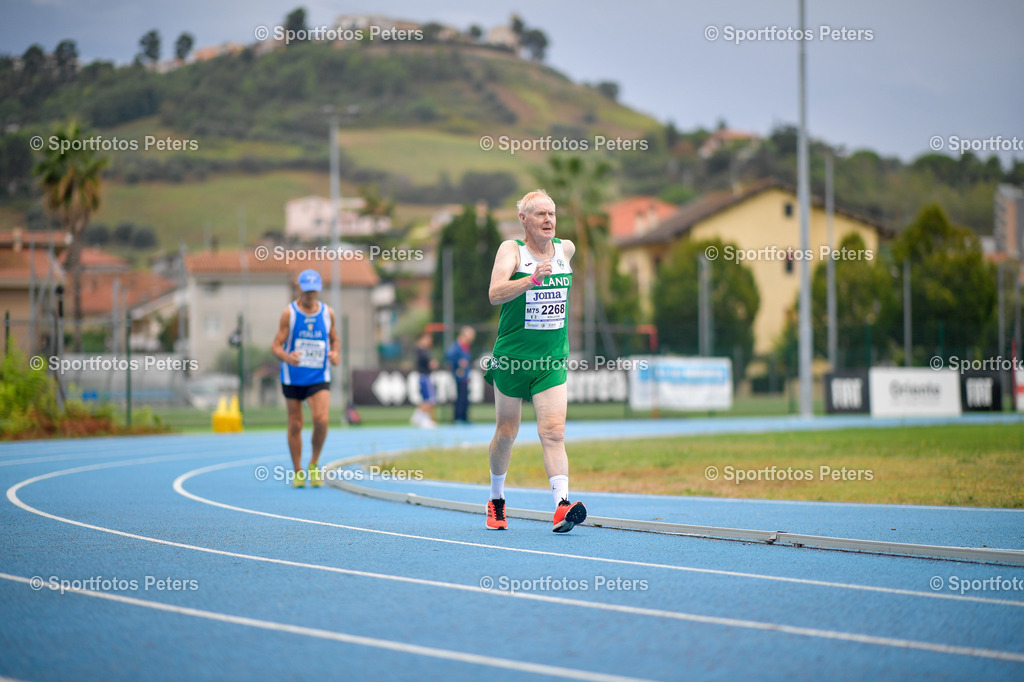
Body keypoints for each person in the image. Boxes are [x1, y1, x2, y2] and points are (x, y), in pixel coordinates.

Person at [482, 189, 587, 533]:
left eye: (552, 214)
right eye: (540, 214)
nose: (548, 220)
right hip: (512, 360)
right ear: (524, 220)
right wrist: (531, 280)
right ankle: (496, 500)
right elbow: (495, 293)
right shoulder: (511, 250)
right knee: (506, 432)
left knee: (554, 432)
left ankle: (561, 505)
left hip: (550, 361)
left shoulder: (566, 250)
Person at [271, 269, 340, 488]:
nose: (310, 294)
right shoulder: (289, 314)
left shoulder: (328, 313)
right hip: (293, 376)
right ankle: (298, 471)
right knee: (296, 424)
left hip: (319, 374)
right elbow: (275, 346)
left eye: (314, 290)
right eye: (306, 290)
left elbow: (335, 340)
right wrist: (286, 357)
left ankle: (314, 463)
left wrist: (336, 354)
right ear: (299, 288)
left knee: (321, 419)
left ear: (318, 290)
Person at [445, 326, 476, 424]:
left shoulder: (465, 346)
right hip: (459, 375)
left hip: (465, 376)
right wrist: (458, 362)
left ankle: (464, 417)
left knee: (465, 397)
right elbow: (449, 356)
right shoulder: (457, 346)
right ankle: (458, 417)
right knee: (461, 397)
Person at [411, 330, 438, 428]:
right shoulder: (421, 350)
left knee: (427, 399)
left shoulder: (423, 350)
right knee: (429, 399)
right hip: (424, 376)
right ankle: (424, 418)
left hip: (424, 376)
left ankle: (418, 416)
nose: (429, 341)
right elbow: (430, 364)